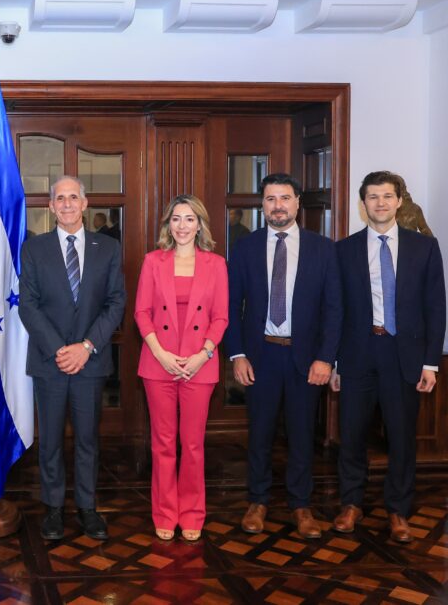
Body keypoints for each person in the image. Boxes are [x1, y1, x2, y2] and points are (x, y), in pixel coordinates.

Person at [226, 174, 341, 539]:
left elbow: (334, 309)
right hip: (260, 356)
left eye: (285, 198)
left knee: (302, 434)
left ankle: (301, 505)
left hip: (306, 359)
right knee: (259, 433)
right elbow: (231, 305)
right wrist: (237, 354)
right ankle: (257, 501)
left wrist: (326, 358)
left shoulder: (323, 249)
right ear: (262, 204)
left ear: (297, 202)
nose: (278, 205)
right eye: (271, 199)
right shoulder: (245, 247)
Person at [333, 170, 445, 543]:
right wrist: (334, 362)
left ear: (398, 201)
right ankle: (351, 504)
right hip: (358, 353)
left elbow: (436, 307)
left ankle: (398, 510)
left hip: (404, 355)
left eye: (386, 196)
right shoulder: (344, 250)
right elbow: (336, 310)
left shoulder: (424, 247)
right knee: (351, 434)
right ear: (363, 204)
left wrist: (430, 362)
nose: (380, 203)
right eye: (372, 197)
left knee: (401, 437)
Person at [19, 176, 126, 541]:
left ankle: (87, 507)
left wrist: (86, 346)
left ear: (84, 203)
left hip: (90, 361)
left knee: (87, 439)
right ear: (51, 206)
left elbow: (116, 303)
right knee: (49, 440)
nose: (66, 204)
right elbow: (28, 305)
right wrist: (59, 349)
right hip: (49, 361)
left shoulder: (108, 248)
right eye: (60, 198)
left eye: (73, 197)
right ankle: (52, 508)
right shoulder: (34, 249)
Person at [134, 194, 228, 542]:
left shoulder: (216, 264)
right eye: (176, 219)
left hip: (199, 365)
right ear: (168, 224)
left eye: (189, 219)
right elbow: (142, 312)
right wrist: (160, 353)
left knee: (192, 445)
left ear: (199, 224)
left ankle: (191, 513)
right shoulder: (153, 261)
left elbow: (221, 317)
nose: (183, 226)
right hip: (159, 362)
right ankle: (164, 513)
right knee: (162, 442)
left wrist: (203, 354)